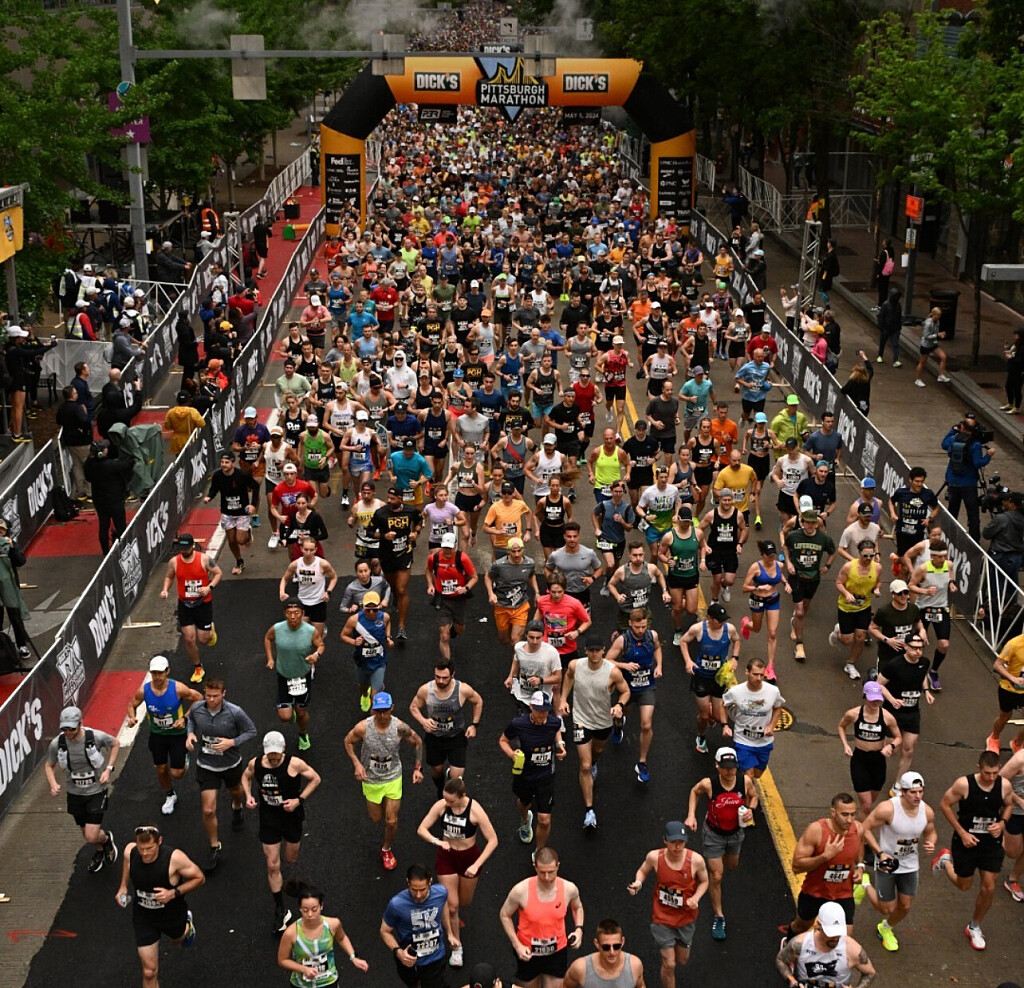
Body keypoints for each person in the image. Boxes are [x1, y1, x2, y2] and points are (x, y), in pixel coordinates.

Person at [241, 732, 322, 934]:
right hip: (269, 818)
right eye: (270, 754)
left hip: (291, 817)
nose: (274, 757)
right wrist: (248, 795)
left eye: (277, 754)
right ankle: (280, 909)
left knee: (291, 858)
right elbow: (245, 776)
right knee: (272, 864)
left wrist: (299, 800)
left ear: (283, 749)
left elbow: (315, 779)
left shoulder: (294, 764)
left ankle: (286, 878)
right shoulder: (256, 764)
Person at [932, 750, 1014, 951]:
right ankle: (946, 861)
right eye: (987, 773)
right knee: (964, 885)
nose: (991, 777)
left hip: (991, 844)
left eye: (995, 773)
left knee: (989, 887)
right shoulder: (964, 784)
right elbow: (945, 804)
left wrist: (1002, 823)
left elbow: (1009, 805)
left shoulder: (1004, 785)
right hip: (966, 842)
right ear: (979, 767)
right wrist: (962, 833)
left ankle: (974, 926)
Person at [416, 777, 499, 961]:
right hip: (447, 857)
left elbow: (493, 840)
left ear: (462, 796)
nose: (447, 803)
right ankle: (456, 947)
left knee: (464, 902)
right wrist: (437, 841)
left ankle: (453, 918)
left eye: (451, 800)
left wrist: (477, 864)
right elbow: (421, 829)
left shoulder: (475, 810)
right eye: (445, 799)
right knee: (452, 906)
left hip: (469, 859)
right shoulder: (442, 805)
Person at [115, 824, 205, 985]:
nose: (145, 853)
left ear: (159, 841)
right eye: (141, 848)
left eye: (150, 848)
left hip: (171, 914)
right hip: (144, 917)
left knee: (178, 940)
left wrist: (172, 893)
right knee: (149, 971)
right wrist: (123, 886)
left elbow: (199, 878)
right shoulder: (131, 851)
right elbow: (127, 862)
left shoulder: (175, 858)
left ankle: (187, 927)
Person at [343, 692, 423, 870]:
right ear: (373, 710)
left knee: (391, 821)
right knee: (376, 818)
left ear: (392, 708)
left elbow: (417, 742)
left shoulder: (399, 727)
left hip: (393, 777)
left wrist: (418, 768)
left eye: (385, 710)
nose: (382, 715)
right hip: (371, 779)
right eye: (378, 711)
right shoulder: (363, 728)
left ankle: (386, 849)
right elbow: (348, 742)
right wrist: (357, 764)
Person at [684, 746, 757, 940]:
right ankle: (719, 916)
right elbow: (694, 792)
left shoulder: (744, 782)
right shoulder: (709, 784)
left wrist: (751, 810)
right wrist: (691, 815)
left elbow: (754, 796)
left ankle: (717, 868)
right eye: (725, 767)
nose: (729, 771)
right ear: (717, 766)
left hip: (735, 833)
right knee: (717, 875)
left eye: (732, 767)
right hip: (713, 834)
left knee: (732, 866)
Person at [859, 771, 937, 951]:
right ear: (902, 791)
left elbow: (931, 831)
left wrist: (931, 842)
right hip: (887, 863)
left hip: (910, 864)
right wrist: (879, 853)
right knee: (886, 909)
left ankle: (885, 928)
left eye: (920, 791)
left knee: (905, 906)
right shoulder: (887, 809)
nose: (918, 796)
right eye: (913, 792)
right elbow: (865, 828)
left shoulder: (927, 811)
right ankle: (865, 885)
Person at [185, 676, 257, 871]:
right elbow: (190, 720)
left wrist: (231, 742)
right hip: (206, 764)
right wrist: (190, 734)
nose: (211, 699)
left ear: (224, 694)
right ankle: (214, 846)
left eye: (215, 696)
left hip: (230, 763)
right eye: (208, 695)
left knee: (235, 791)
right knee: (208, 810)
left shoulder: (235, 712)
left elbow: (251, 731)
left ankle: (237, 807)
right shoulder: (197, 708)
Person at [558, 635, 630, 830]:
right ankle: (589, 810)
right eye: (591, 650)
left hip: (603, 721)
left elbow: (625, 691)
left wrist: (619, 705)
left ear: (603, 650)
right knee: (585, 765)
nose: (595, 654)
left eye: (598, 650)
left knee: (597, 751)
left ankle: (595, 762)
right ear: (586, 651)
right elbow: (568, 677)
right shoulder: (576, 665)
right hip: (581, 720)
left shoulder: (612, 672)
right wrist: (563, 699)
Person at [626, 821, 709, 988]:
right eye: (673, 842)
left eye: (681, 842)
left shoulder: (696, 860)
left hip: (686, 917)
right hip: (662, 917)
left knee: (682, 960)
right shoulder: (655, 857)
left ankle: (676, 945)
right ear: (665, 840)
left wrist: (696, 898)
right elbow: (642, 871)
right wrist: (638, 883)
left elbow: (705, 881)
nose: (677, 847)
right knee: (669, 963)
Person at [44, 704, 119, 873]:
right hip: (75, 793)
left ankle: (106, 840)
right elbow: (49, 765)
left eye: (71, 728)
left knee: (92, 835)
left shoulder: (96, 736)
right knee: (86, 833)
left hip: (96, 791)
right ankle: (100, 850)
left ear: (80, 723)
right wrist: (53, 783)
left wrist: (108, 769)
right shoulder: (57, 743)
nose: (68, 732)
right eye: (64, 729)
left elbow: (115, 744)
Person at [126, 655, 202, 816]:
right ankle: (169, 795)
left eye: (160, 673)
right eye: (154, 673)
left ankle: (184, 759)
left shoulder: (178, 688)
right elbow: (131, 704)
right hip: (157, 735)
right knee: (161, 769)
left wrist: (185, 718)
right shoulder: (144, 690)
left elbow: (199, 699)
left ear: (167, 671)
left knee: (177, 773)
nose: (157, 677)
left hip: (177, 734)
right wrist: (132, 718)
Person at [498, 847, 584, 988]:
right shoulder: (520, 891)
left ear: (558, 866)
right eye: (542, 872)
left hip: (557, 951)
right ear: (535, 867)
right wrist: (517, 945)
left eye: (551, 872)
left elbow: (578, 907)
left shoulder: (569, 889)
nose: (547, 877)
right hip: (528, 951)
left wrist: (579, 929)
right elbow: (504, 915)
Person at [783, 793, 864, 939]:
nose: (849, 820)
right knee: (801, 927)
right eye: (845, 814)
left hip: (843, 894)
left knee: (845, 936)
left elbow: (859, 845)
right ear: (833, 812)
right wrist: (825, 856)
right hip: (815, 893)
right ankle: (788, 945)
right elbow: (796, 866)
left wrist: (860, 866)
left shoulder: (858, 829)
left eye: (853, 814)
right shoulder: (816, 831)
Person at [499, 691, 566, 851]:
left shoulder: (553, 722)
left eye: (545, 711)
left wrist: (560, 745)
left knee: (544, 820)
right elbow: (503, 740)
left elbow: (557, 729)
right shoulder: (518, 724)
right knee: (524, 803)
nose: (542, 714)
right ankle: (525, 820)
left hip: (546, 776)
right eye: (538, 710)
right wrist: (511, 754)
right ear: (531, 707)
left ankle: (539, 851)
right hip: (525, 775)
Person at [409, 658, 483, 797]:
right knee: (437, 771)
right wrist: (423, 721)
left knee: (456, 778)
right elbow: (413, 707)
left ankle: (448, 795)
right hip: (434, 737)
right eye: (437, 677)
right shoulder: (426, 690)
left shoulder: (462, 689)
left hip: (456, 736)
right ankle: (440, 789)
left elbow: (478, 701)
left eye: (444, 678)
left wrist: (474, 725)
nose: (440, 681)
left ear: (452, 675)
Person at [605, 609, 664, 784]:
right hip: (627, 688)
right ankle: (618, 726)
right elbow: (607, 660)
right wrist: (624, 665)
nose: (641, 630)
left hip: (647, 686)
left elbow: (658, 648)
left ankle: (642, 762)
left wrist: (659, 665)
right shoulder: (623, 640)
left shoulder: (652, 636)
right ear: (630, 623)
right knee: (621, 714)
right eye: (637, 627)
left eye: (643, 626)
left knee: (646, 724)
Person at [278, 881, 369, 985]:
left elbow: (342, 938)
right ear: (300, 909)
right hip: (302, 985)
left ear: (321, 906)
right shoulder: (291, 933)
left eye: (314, 909)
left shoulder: (333, 924)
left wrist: (353, 957)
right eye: (305, 910)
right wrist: (303, 969)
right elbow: (282, 960)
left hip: (329, 981)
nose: (310, 914)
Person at [160, 532, 222, 684]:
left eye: (186, 548)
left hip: (203, 603)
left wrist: (208, 587)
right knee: (188, 638)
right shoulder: (174, 562)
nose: (184, 551)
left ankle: (210, 631)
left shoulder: (204, 559)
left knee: (204, 639)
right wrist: (165, 590)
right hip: (185, 604)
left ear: (193, 546)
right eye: (181, 548)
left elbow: (218, 573)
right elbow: (169, 576)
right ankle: (198, 667)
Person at [381, 864, 458, 986]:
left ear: (430, 882)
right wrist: (399, 953)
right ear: (407, 882)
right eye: (413, 889)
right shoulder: (396, 904)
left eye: (422, 890)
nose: (418, 895)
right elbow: (384, 931)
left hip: (435, 957)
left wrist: (450, 933)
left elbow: (443, 907)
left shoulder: (441, 893)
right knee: (412, 983)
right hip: (408, 958)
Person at [680, 602, 741, 754]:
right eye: (719, 620)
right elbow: (683, 641)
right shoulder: (698, 629)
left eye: (724, 620)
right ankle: (701, 737)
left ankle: (712, 712)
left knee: (718, 717)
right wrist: (688, 661)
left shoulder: (729, 629)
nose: (722, 623)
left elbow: (737, 640)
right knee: (704, 715)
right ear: (709, 618)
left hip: (719, 678)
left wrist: (735, 658)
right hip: (701, 677)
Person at [265, 597, 324, 751]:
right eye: (289, 613)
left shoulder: (310, 631)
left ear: (302, 613)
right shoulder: (277, 628)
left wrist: (316, 654)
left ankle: (303, 734)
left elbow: (320, 645)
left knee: (301, 712)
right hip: (284, 676)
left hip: (302, 676)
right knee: (285, 717)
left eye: (296, 613)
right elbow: (268, 638)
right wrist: (270, 658)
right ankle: (292, 713)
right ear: (284, 613)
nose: (292, 617)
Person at [837, 681, 903, 819]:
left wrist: (890, 746)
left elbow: (898, 737)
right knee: (866, 805)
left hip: (878, 761)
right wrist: (845, 744)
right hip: (860, 760)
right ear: (865, 696)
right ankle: (861, 831)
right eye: (872, 699)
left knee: (869, 803)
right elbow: (841, 726)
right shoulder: (853, 714)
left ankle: (859, 825)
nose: (875, 703)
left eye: (878, 700)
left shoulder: (887, 717)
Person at [775, 901, 876, 988]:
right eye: (830, 933)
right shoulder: (800, 944)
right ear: (818, 926)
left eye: (838, 932)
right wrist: (792, 981)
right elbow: (781, 960)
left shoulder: (852, 950)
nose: (835, 938)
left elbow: (870, 973)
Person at [877, 633, 934, 777]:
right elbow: (879, 684)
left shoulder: (924, 662)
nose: (918, 652)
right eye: (914, 648)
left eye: (920, 648)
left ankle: (898, 784)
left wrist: (926, 691)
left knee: (908, 749)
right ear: (905, 647)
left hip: (912, 713)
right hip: (893, 713)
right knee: (893, 749)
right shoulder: (894, 665)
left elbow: (922, 675)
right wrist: (892, 700)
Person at [370, 486, 423, 640]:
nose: (389, 501)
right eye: (388, 498)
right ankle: (394, 595)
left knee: (401, 589)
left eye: (392, 499)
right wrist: (384, 536)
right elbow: (369, 531)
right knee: (393, 586)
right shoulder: (380, 513)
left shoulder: (410, 510)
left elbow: (419, 520)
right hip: (386, 555)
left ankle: (401, 626)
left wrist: (416, 532)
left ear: (401, 499)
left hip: (404, 553)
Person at [785, 509, 836, 663]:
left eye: (813, 523)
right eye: (807, 522)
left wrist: (827, 566)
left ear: (817, 524)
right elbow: (785, 546)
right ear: (802, 523)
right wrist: (788, 562)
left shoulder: (823, 538)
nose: (810, 525)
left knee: (805, 607)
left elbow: (833, 552)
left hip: (813, 577)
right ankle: (799, 645)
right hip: (796, 576)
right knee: (800, 611)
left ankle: (795, 622)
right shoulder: (794, 536)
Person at [722, 658, 785, 778]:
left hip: (764, 741)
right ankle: (746, 787)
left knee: (757, 774)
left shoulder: (773, 691)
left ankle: (745, 783)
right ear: (747, 672)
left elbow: (778, 707)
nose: (759, 678)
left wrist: (772, 726)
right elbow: (723, 704)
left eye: (761, 675)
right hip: (742, 740)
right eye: (755, 674)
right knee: (749, 774)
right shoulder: (736, 691)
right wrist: (724, 725)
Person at [830, 539, 881, 681]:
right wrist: (847, 594)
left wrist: (876, 589)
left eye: (871, 556)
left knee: (860, 637)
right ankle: (838, 632)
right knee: (847, 640)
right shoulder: (848, 567)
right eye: (865, 555)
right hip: (846, 607)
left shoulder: (877, 567)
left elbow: (878, 582)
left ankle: (850, 664)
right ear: (859, 553)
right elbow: (839, 582)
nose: (868, 559)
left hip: (864, 606)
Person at [739, 540, 790, 681]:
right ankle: (746, 624)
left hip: (773, 600)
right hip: (757, 600)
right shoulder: (755, 567)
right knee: (757, 628)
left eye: (773, 555)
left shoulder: (779, 565)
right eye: (769, 555)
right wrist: (758, 587)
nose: (771, 557)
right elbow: (744, 587)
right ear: (763, 555)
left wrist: (786, 583)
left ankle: (770, 666)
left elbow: (780, 575)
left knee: (772, 633)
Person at [204, 450, 261, 575]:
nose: (224, 464)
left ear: (232, 463)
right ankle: (239, 561)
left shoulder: (242, 475)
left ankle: (247, 533)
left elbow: (255, 486)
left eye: (226, 462)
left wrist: (252, 504)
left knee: (240, 540)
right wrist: (209, 497)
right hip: (227, 513)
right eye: (222, 462)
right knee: (231, 540)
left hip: (242, 512)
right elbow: (214, 488)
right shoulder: (218, 475)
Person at [941, 413, 994, 540]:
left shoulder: (954, 439)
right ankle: (974, 540)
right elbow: (977, 463)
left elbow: (944, 444)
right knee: (973, 513)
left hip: (953, 481)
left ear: (962, 427)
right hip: (969, 484)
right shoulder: (975, 444)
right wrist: (988, 455)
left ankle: (949, 538)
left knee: (952, 511)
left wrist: (952, 430)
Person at [426, 533, 478, 661]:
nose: (448, 551)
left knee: (460, 630)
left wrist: (465, 588)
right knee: (444, 637)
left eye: (450, 548)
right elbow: (428, 570)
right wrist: (430, 585)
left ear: (455, 546)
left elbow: (474, 577)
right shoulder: (434, 558)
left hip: (458, 599)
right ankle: (447, 665)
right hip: (442, 599)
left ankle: (454, 627)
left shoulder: (462, 558)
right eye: (445, 548)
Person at [659, 506, 705, 646]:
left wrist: (703, 560)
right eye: (684, 521)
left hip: (691, 575)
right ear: (678, 519)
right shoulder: (669, 536)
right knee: (677, 608)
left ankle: (680, 602)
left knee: (691, 609)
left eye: (688, 522)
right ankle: (678, 631)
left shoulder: (697, 533)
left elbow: (702, 546)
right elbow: (661, 553)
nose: (686, 524)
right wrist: (668, 560)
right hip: (676, 576)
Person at [340, 589, 392, 711]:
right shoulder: (354, 620)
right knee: (363, 688)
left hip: (379, 662)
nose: (372, 612)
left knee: (375, 698)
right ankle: (364, 695)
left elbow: (388, 623)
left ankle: (373, 701)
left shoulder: (384, 617)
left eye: (375, 609)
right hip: (362, 662)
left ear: (379, 607)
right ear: (363, 607)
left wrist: (388, 637)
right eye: (368, 610)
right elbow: (343, 635)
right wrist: (354, 642)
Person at [279, 537, 339, 640]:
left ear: (316, 549)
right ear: (301, 549)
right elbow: (285, 578)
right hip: (303, 602)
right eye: (306, 549)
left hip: (318, 602)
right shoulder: (295, 564)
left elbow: (334, 577)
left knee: (317, 638)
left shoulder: (323, 564)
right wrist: (282, 592)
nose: (308, 553)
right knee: (302, 635)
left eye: (311, 550)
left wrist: (328, 592)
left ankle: (322, 628)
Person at [533, 571, 592, 671]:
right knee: (550, 677)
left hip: (568, 648)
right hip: (548, 647)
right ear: (548, 590)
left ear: (564, 589)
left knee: (568, 675)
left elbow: (587, 621)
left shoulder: (574, 603)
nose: (556, 595)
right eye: (553, 592)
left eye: (560, 592)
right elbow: (536, 620)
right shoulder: (542, 601)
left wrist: (577, 632)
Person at [485, 536, 538, 645]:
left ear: (523, 549)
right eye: (513, 551)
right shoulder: (499, 565)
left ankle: (516, 656)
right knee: (504, 640)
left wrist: (537, 592)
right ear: (508, 551)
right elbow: (488, 576)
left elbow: (531, 575)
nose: (517, 554)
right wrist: (491, 593)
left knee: (515, 639)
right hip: (502, 605)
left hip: (521, 605)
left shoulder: (529, 563)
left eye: (519, 551)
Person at [607, 540, 670, 631]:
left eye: (640, 555)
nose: (638, 558)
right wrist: (617, 596)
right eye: (635, 555)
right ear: (629, 554)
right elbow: (611, 584)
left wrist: (665, 591)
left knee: (644, 633)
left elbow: (659, 575)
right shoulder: (622, 571)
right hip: (627, 612)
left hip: (644, 611)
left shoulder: (651, 568)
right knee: (624, 634)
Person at [562, 919, 645, 988]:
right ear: (597, 944)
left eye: (616, 946)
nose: (612, 952)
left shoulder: (634, 966)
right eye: (606, 947)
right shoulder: (580, 968)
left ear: (622, 942)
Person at [83, 438, 132, 554]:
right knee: (120, 526)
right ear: (101, 453)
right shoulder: (109, 465)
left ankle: (105, 551)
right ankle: (123, 550)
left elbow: (88, 478)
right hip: (114, 500)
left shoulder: (88, 465)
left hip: (99, 500)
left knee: (103, 525)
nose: (107, 449)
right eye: (105, 448)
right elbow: (126, 464)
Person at [986, 631, 1024, 753]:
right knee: (1005, 716)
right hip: (1009, 688)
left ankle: (1017, 743)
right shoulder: (1013, 644)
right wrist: (1013, 678)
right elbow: (997, 665)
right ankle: (994, 738)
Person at [914, 306, 951, 387]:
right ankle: (918, 379)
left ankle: (941, 375)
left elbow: (935, 332)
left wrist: (940, 335)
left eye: (940, 315)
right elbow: (926, 336)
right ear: (934, 315)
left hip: (933, 344)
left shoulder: (937, 322)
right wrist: (937, 335)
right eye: (938, 315)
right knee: (922, 362)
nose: (939, 317)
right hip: (926, 345)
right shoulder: (928, 324)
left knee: (943, 357)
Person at [876, 286, 903, 366]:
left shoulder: (898, 305)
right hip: (886, 327)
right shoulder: (885, 305)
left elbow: (899, 316)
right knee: (883, 342)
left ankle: (895, 360)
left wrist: (899, 326)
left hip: (895, 328)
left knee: (895, 344)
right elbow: (881, 316)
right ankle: (880, 355)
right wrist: (880, 327)